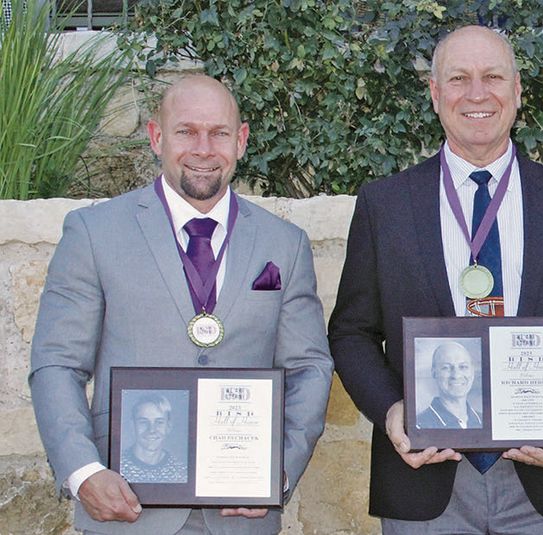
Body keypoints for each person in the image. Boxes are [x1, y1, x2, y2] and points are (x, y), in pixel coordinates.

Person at [327, 25, 543, 534]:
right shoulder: (385, 205)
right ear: (435, 95)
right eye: (458, 78)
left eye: (492, 77)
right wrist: (391, 412)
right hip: (427, 475)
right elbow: (352, 331)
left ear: (517, 91)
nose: (476, 94)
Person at [28, 75, 334, 535]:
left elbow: (309, 365)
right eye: (186, 131)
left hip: (242, 516)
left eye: (219, 133)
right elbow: (56, 363)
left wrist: (279, 473)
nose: (204, 148)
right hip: (129, 510)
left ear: (242, 140)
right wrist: (83, 472)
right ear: (156, 137)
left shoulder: (284, 244)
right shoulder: (94, 233)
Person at [119, 394, 188, 484]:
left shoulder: (181, 473)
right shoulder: (117, 467)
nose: (152, 430)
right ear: (132, 425)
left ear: (168, 426)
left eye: (159, 422)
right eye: (143, 422)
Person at [417, 342, 483, 430]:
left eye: (463, 367)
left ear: (472, 371)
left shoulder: (485, 421)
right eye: (446, 368)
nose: (456, 375)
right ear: (433, 373)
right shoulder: (419, 425)